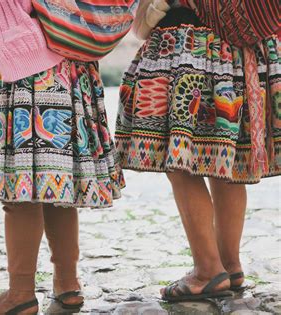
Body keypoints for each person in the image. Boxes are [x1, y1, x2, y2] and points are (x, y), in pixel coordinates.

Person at [0, 0, 125, 313]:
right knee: (56, 182)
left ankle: (21, 293)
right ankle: (68, 284)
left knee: (19, 185)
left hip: (13, 58)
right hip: (66, 56)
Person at [115, 0, 280, 302]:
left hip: (188, 43)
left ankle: (207, 269)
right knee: (226, 158)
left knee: (179, 160)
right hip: (243, 50)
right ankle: (229, 264)